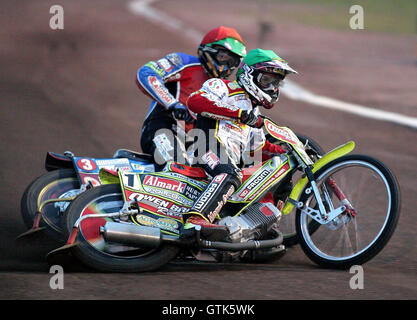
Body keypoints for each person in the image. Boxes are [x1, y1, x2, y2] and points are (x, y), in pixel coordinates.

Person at [183, 48, 298, 241]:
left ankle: (259, 228)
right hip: (204, 147)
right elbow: (195, 101)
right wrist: (239, 114)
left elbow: (259, 149)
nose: (271, 88)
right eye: (266, 81)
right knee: (230, 173)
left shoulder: (254, 112)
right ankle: (195, 220)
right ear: (249, 75)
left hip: (229, 162)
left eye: (275, 83)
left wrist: (288, 151)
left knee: (278, 173)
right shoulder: (222, 87)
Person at [135, 26, 247, 167]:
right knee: (177, 165)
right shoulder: (183, 62)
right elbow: (146, 73)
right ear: (207, 50)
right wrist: (173, 104)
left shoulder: (227, 88)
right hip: (162, 128)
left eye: (233, 62)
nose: (226, 66)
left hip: (196, 141)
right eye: (223, 57)